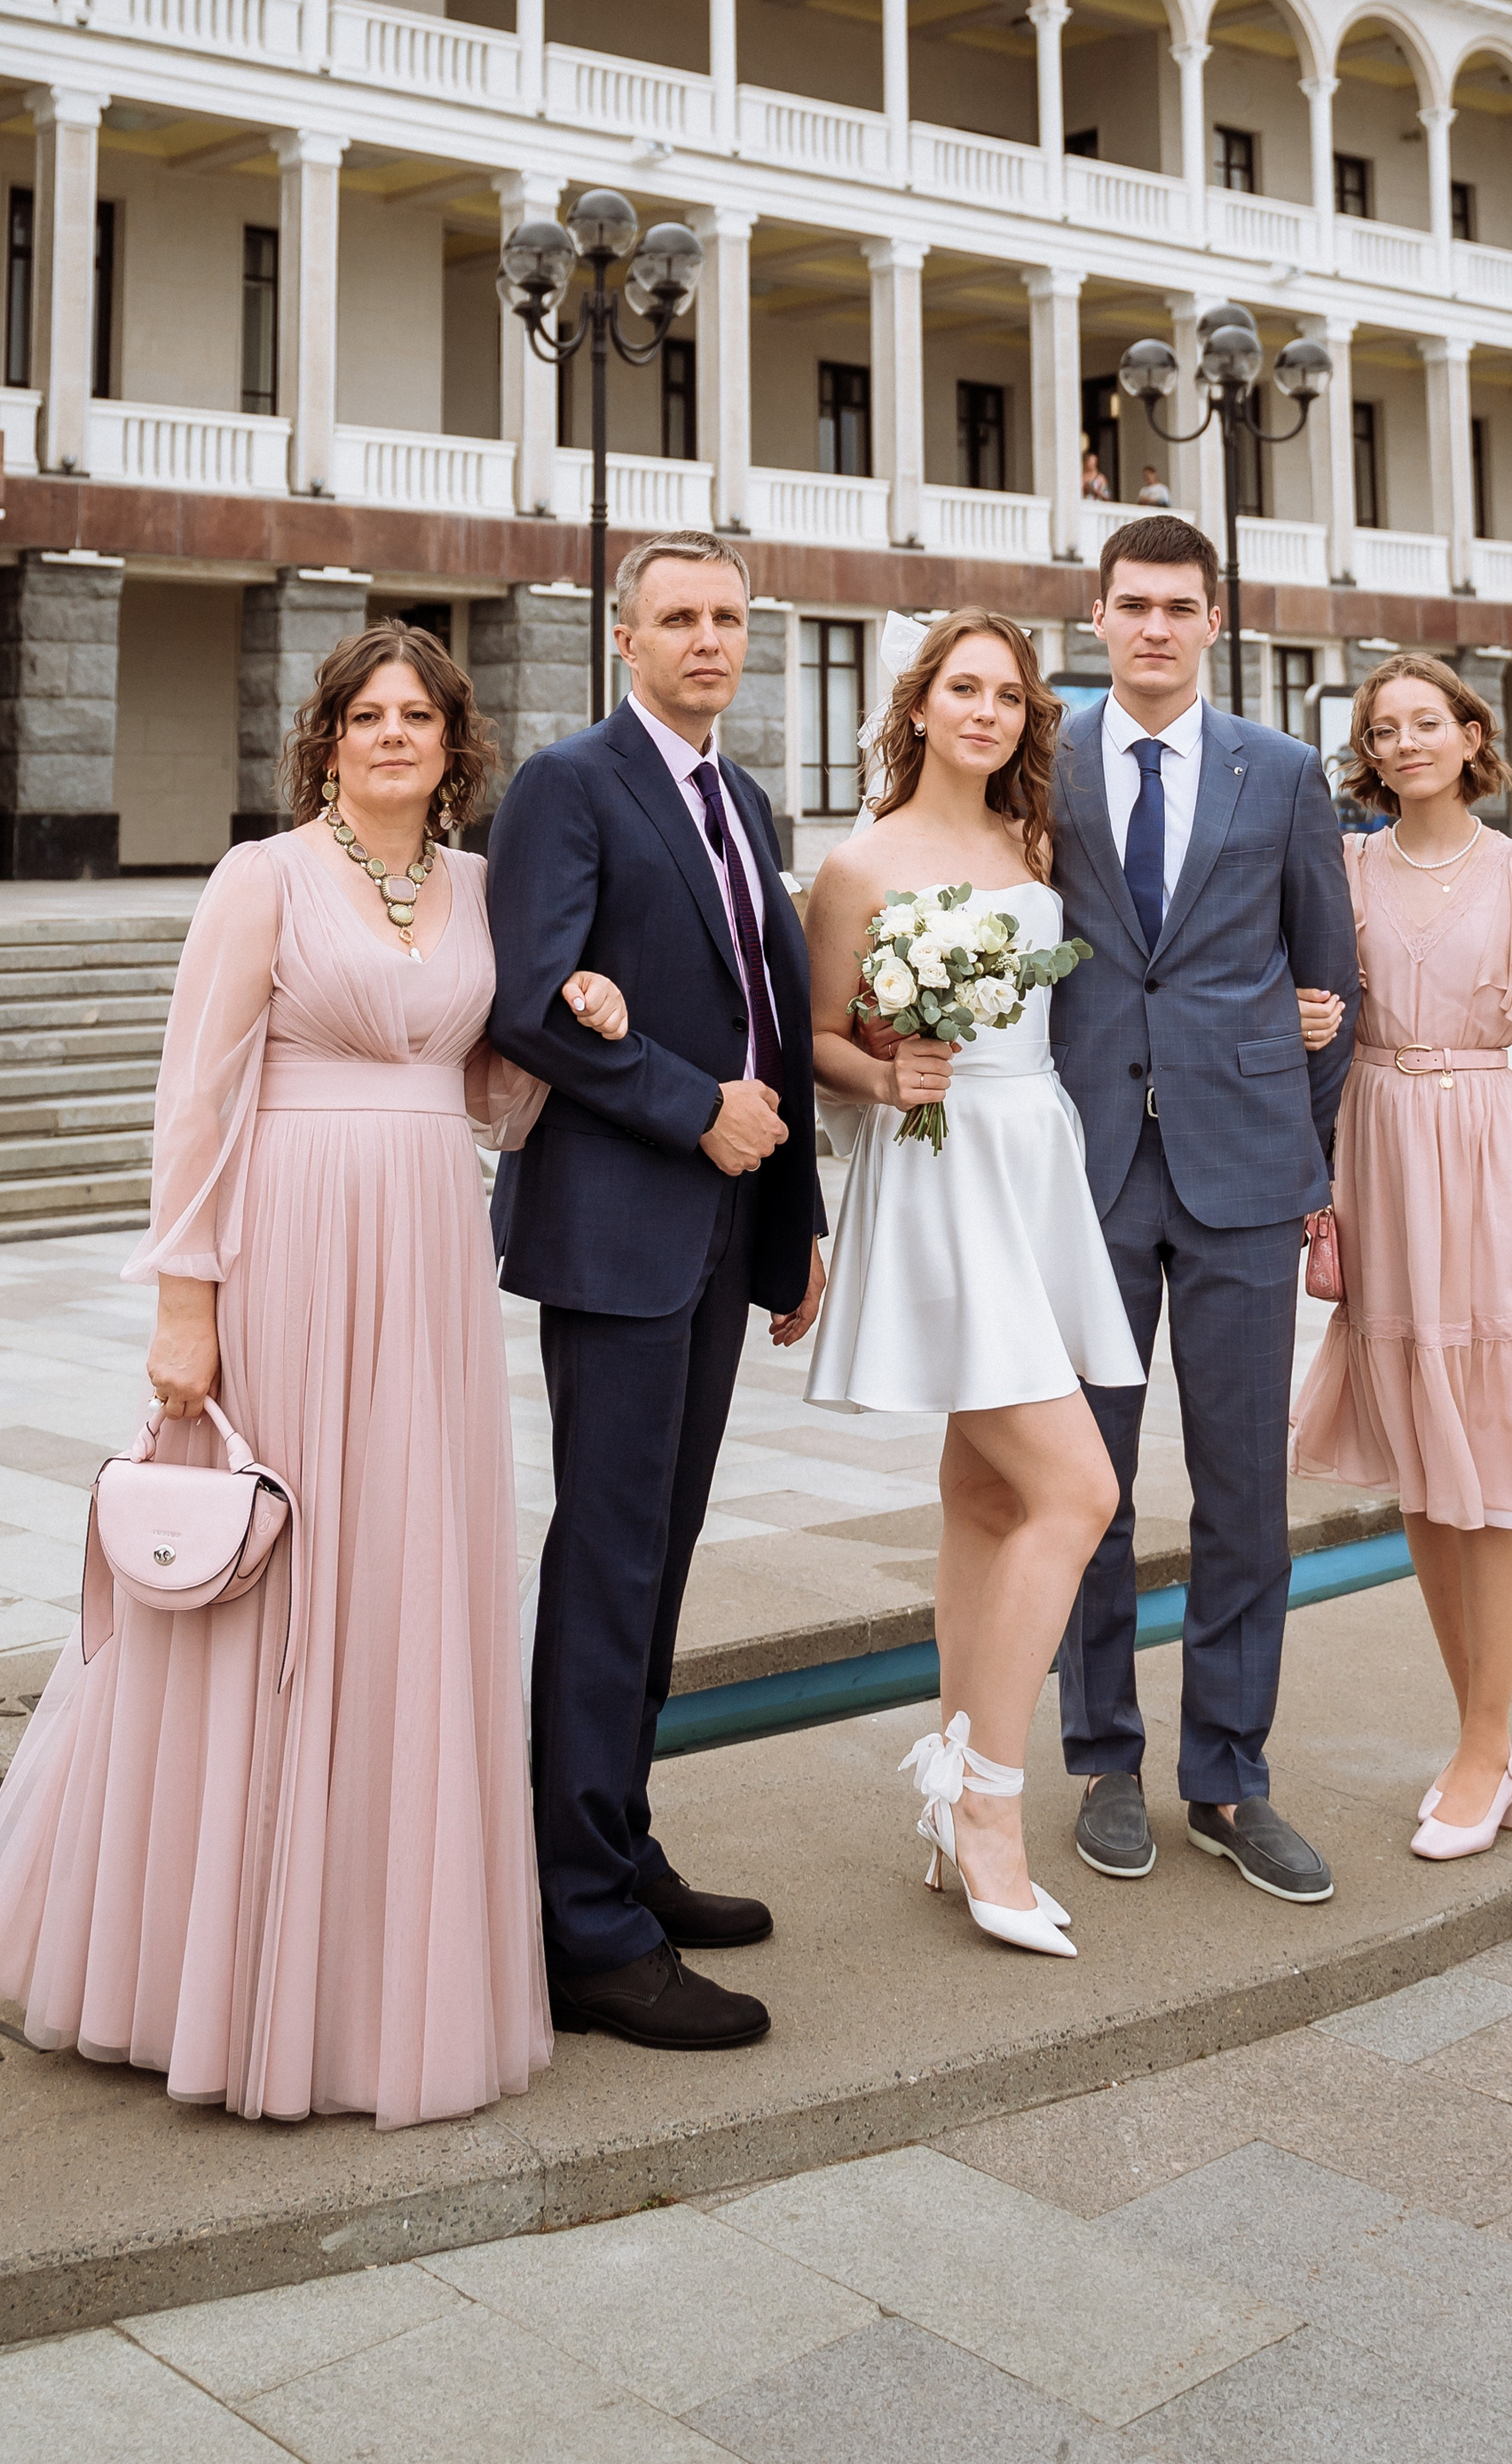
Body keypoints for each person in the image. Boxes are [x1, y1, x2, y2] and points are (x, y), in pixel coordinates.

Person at [0, 625, 630, 2128]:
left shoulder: (481, 893)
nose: (393, 738)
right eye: (366, 717)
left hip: (429, 1259)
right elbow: (195, 1102)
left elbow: (481, 1092)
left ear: (457, 749)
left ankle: (368, 1978)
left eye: (419, 719)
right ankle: (197, 1975)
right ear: (326, 742)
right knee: (265, 1598)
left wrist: (573, 1018)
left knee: (401, 1590)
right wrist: (185, 1307)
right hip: (288, 1254)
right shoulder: (261, 879)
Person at [486, 533, 825, 2054]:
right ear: (622, 638)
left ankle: (618, 1847)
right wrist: (692, 1107)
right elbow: (529, 1001)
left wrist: (794, 1218)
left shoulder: (740, 798)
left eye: (728, 620)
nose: (708, 640)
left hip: (720, 1233)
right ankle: (584, 1931)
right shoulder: (572, 783)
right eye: (678, 618)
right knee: (610, 1560)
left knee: (662, 1555)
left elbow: (774, 1010)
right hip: (620, 1233)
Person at [806, 612, 1138, 1962]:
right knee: (1081, 1489)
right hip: (940, 1176)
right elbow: (820, 1037)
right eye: (966, 689)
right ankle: (991, 1807)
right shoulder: (858, 863)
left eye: (1011, 695)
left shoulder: (1036, 845)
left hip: (1034, 1161)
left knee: (990, 1492)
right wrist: (890, 1073)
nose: (990, 712)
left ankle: (951, 1797)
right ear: (921, 705)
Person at [1048, 514, 1358, 1901]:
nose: (1156, 626)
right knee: (1087, 1486)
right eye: (1133, 605)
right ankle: (1103, 1761)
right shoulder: (1037, 763)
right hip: (1087, 1170)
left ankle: (1229, 1777)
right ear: (1097, 618)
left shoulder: (1282, 772)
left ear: (1214, 623)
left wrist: (1304, 1145)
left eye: (1181, 606)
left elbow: (1329, 981)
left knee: (1242, 1490)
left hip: (1242, 1180)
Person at [1288, 655, 1512, 1859]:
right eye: (1385, 728)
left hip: (1484, 1155)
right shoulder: (1343, 866)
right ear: (1368, 749)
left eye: (1430, 722)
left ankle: (1485, 1742)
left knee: (1495, 1464)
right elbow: (1302, 1013)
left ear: (1473, 736)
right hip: (1374, 1157)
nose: (1407, 741)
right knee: (1422, 1453)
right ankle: (1480, 1736)